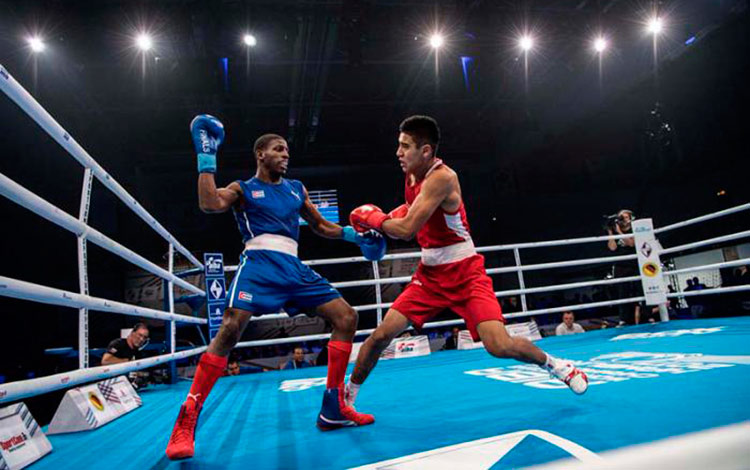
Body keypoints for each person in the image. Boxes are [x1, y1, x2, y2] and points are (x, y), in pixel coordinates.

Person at [165, 115, 386, 460]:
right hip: (259, 264)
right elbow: (209, 204)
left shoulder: (296, 189)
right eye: (278, 150)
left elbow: (321, 226)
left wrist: (355, 236)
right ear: (260, 155)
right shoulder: (242, 188)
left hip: (293, 266)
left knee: (346, 317)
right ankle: (187, 419)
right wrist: (206, 157)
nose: (286, 155)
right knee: (229, 327)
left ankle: (333, 408)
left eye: (287, 151)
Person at [345, 115, 588, 415]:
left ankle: (557, 365)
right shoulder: (410, 174)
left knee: (499, 345)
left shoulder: (442, 178)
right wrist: (380, 223)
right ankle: (346, 399)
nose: (398, 153)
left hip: (465, 273)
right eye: (399, 145)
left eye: (405, 146)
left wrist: (374, 219)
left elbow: (407, 228)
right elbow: (411, 208)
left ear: (426, 151)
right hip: (430, 275)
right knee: (381, 335)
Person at [606, 209, 642, 325]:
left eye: (625, 217)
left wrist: (620, 232)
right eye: (621, 217)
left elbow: (631, 243)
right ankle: (623, 319)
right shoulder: (615, 231)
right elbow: (612, 248)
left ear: (631, 218)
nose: (623, 219)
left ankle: (647, 315)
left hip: (634, 263)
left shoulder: (634, 229)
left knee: (639, 290)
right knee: (622, 293)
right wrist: (611, 232)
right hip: (620, 265)